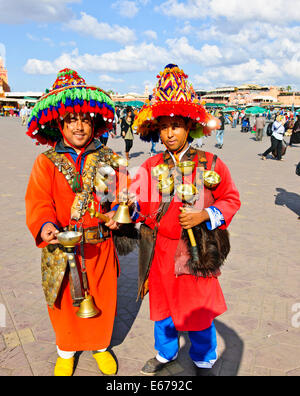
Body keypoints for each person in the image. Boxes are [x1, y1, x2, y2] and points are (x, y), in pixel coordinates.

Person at [131, 64, 241, 375]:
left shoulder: (212, 162)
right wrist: (125, 208)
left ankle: (204, 357)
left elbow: (231, 200)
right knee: (163, 307)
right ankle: (165, 353)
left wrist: (206, 214)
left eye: (176, 125)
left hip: (197, 250)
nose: (169, 133)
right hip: (162, 251)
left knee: (198, 308)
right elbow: (138, 205)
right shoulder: (150, 165)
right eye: (164, 126)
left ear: (189, 126)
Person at [25, 68, 132, 376]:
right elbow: (38, 201)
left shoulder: (109, 157)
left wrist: (119, 212)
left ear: (94, 122)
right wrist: (45, 226)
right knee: (63, 303)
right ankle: (66, 350)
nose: (80, 126)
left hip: (100, 244)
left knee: (103, 296)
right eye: (72, 119)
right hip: (62, 245)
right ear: (59, 123)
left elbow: (122, 193)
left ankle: (100, 345)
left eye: (86, 119)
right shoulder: (45, 162)